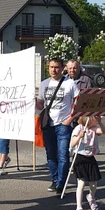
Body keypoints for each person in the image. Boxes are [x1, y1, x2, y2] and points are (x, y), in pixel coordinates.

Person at [36, 58, 79, 193]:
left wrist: (70, 119)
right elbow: (40, 105)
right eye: (51, 67)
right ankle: (55, 180)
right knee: (50, 154)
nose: (53, 70)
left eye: (56, 67)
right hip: (48, 124)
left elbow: (79, 104)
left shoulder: (70, 83)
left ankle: (61, 183)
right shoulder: (44, 84)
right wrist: (33, 100)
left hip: (63, 124)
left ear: (62, 68)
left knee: (63, 155)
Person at [70, 115, 105, 210]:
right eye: (96, 118)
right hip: (79, 157)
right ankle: (79, 207)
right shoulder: (79, 128)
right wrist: (79, 136)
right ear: (89, 119)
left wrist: (100, 122)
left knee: (93, 183)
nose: (98, 118)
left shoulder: (94, 129)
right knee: (81, 183)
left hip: (90, 157)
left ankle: (91, 197)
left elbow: (103, 131)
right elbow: (72, 144)